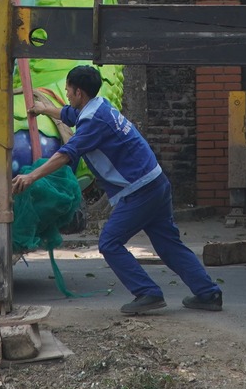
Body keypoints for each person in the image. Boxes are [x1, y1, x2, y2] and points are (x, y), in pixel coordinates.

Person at [12, 64, 223, 316]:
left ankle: (148, 293)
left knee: (109, 242)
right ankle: (209, 293)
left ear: (79, 92)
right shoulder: (101, 107)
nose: (66, 94)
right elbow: (72, 115)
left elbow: (66, 154)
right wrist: (47, 109)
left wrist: (32, 176)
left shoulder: (92, 124)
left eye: (68, 90)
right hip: (156, 182)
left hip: (139, 191)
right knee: (169, 245)